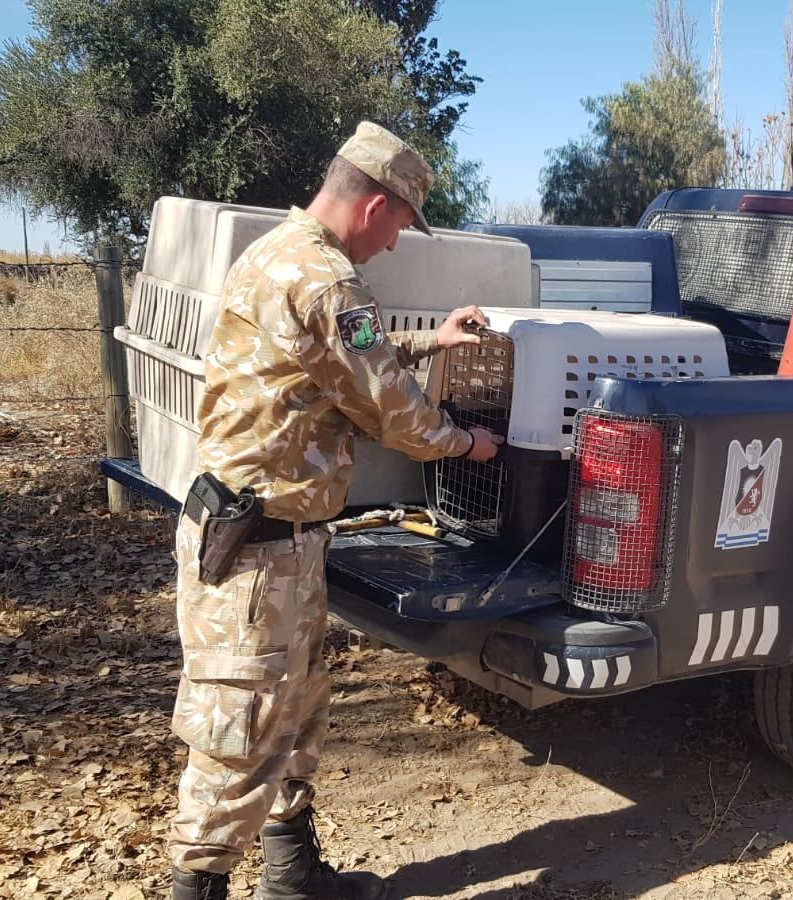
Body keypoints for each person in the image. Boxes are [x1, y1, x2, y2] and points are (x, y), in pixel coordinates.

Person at [167, 121, 502, 900]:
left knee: (297, 708)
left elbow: (342, 358)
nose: (393, 247)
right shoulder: (326, 279)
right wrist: (470, 445)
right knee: (239, 735)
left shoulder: (282, 251)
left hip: (275, 542)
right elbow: (398, 419)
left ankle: (292, 879)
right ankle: (197, 888)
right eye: (398, 229)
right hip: (259, 553)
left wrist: (432, 340)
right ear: (377, 205)